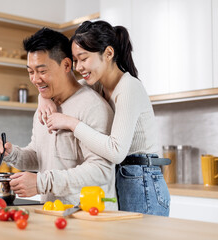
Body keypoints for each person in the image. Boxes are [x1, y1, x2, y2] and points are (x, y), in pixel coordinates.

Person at [38, 21, 170, 216]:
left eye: (83, 59)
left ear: (108, 54)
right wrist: (44, 98)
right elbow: (64, 86)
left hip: (142, 182)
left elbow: (116, 151)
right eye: (75, 60)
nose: (78, 67)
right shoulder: (97, 85)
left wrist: (71, 123)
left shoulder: (128, 88)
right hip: (121, 176)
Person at [0, 27, 117, 209]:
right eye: (30, 71)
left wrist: (42, 183)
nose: (35, 79)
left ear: (66, 65)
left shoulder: (92, 107)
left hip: (88, 218)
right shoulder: (45, 106)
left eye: (41, 71)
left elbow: (101, 171)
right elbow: (40, 156)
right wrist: (12, 153)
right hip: (52, 214)